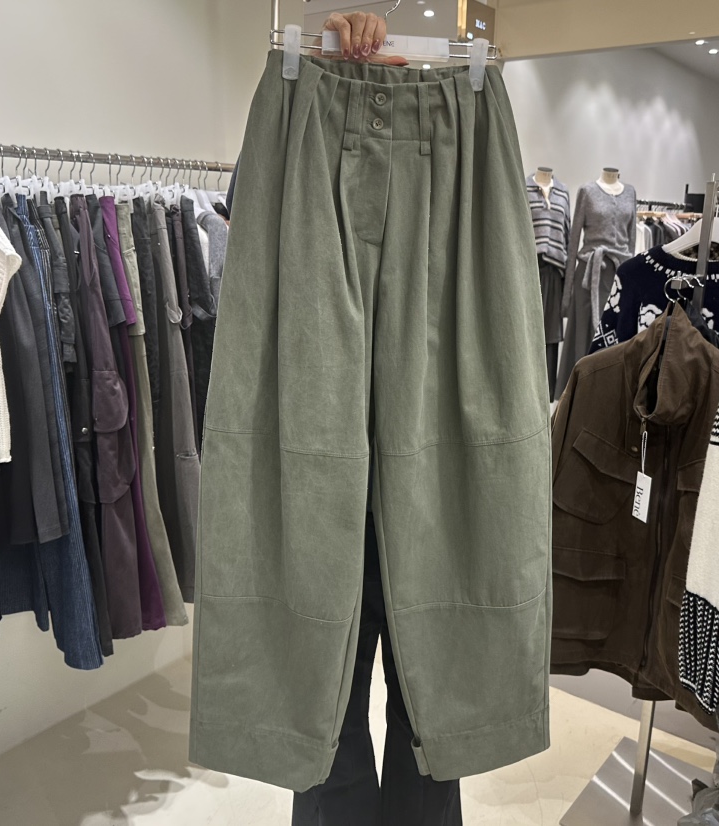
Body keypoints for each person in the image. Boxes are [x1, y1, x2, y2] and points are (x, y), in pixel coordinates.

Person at [226, 12, 464, 825]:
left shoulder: (461, 137)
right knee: (319, 704)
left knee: (434, 712)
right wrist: (332, 85)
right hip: (314, 456)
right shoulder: (295, 130)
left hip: (427, 454)